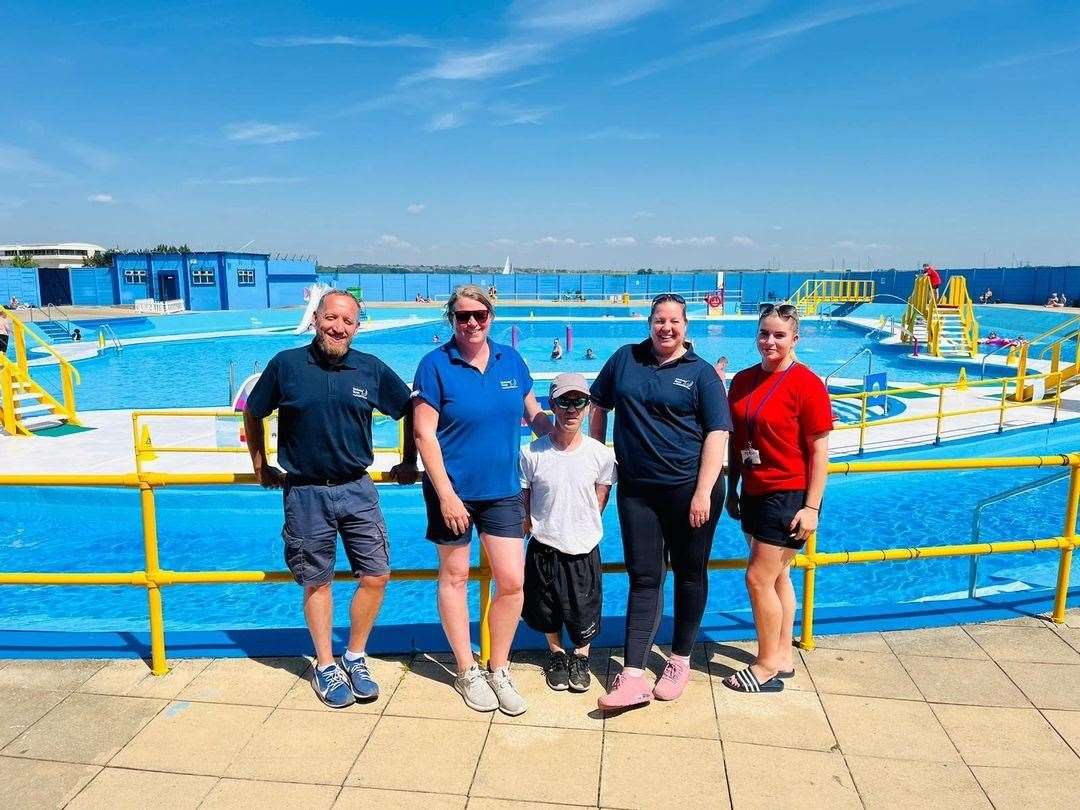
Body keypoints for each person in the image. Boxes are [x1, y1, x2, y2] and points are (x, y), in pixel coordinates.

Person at [243, 290, 418, 708]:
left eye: (348, 322)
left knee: (376, 574)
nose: (338, 328)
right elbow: (254, 410)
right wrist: (259, 464)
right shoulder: (286, 365)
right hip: (304, 491)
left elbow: (409, 407)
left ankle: (355, 655)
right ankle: (325, 665)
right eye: (331, 318)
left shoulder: (370, 368)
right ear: (316, 319)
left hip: (357, 488)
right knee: (316, 582)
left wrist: (409, 459)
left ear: (357, 327)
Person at [412, 285, 551, 716]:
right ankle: (466, 669)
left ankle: (499, 666)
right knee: (454, 578)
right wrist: (448, 495)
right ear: (450, 320)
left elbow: (536, 419)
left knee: (512, 581)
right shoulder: (435, 365)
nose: (472, 323)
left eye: (480, 315)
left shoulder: (512, 360)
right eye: (462, 316)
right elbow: (423, 434)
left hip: (503, 490)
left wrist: (574, 410)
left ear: (491, 316)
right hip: (451, 492)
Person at [590, 293, 731, 709]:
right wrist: (597, 458)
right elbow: (599, 404)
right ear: (649, 323)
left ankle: (680, 659)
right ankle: (632, 674)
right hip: (638, 491)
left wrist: (703, 491)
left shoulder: (702, 374)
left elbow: (717, 434)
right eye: (659, 320)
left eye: (674, 321)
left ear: (686, 326)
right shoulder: (625, 359)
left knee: (689, 573)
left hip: (691, 490)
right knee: (645, 577)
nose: (666, 328)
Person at [723, 303, 831, 693]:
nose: (770, 341)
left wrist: (811, 507)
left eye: (779, 335)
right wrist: (733, 488)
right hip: (752, 489)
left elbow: (819, 450)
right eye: (764, 334)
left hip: (788, 493)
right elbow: (738, 440)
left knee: (757, 578)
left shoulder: (807, 384)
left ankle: (766, 663)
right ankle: (783, 654)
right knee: (779, 575)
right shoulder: (743, 380)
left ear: (794, 339)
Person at [521, 373, 616, 693]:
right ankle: (557, 654)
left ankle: (581, 656)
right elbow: (525, 495)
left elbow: (602, 494)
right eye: (564, 402)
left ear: (588, 407)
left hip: (584, 543)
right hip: (545, 541)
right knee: (545, 606)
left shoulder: (600, 455)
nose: (571, 409)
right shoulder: (532, 453)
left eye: (579, 402)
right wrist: (529, 522)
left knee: (584, 607)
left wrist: (583, 522)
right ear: (552, 406)